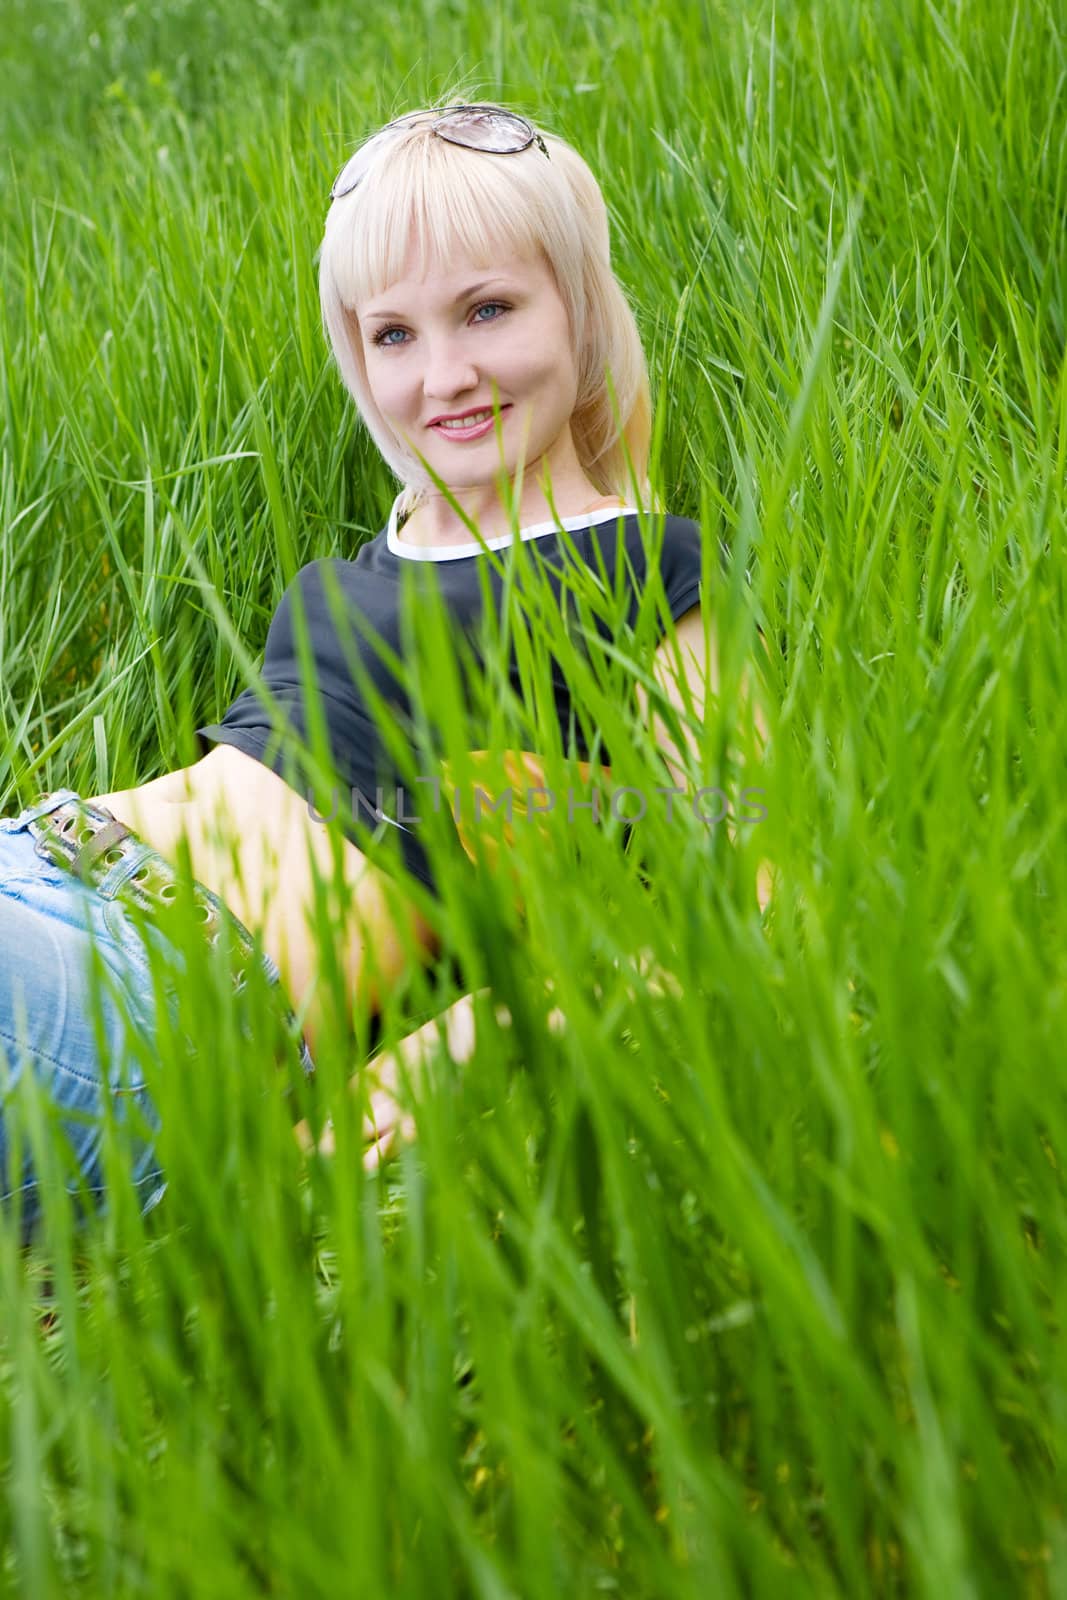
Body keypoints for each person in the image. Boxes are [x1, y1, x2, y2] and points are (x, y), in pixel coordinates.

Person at [0, 100, 768, 1237]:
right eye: (393, 334)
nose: (443, 374)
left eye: (487, 309)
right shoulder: (381, 549)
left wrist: (484, 1034)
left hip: (153, 988)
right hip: (42, 871)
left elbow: (747, 893)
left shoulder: (646, 564)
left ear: (580, 303)